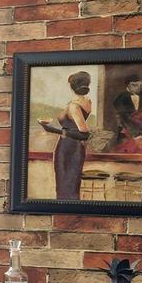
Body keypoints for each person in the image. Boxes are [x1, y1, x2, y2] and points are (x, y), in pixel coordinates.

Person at [40, 70, 94, 202]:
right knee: (70, 186)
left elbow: (84, 134)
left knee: (66, 186)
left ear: (71, 87)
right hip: (76, 148)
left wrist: (53, 129)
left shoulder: (74, 106)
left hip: (68, 148)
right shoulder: (87, 102)